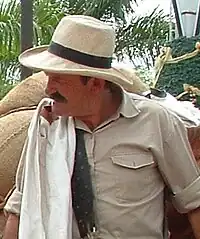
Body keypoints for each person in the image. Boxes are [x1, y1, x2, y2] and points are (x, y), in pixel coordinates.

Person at [3, 15, 200, 239]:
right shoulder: (48, 127)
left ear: (95, 83)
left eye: (59, 79)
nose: (48, 89)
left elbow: (194, 200)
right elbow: (22, 203)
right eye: (49, 78)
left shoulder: (155, 121)